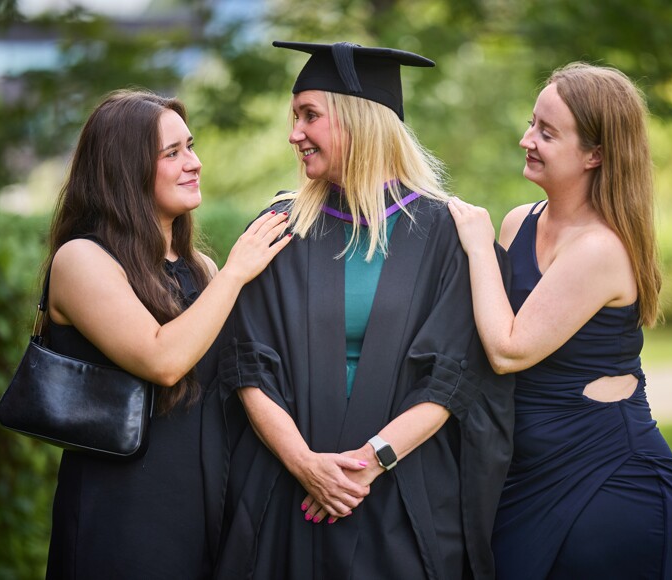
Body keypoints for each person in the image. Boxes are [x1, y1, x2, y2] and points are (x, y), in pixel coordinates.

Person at [213, 41, 515, 580]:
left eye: (310, 115)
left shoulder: (449, 235)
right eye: (293, 117)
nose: (294, 134)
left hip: (403, 495)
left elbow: (450, 378)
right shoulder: (280, 229)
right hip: (288, 491)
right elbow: (247, 365)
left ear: (359, 121)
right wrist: (306, 465)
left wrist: (366, 466)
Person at [448, 62, 672, 579]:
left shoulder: (600, 248)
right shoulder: (519, 222)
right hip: (521, 473)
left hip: (607, 478)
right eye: (531, 124)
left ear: (594, 154)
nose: (526, 140)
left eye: (547, 133)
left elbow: (508, 349)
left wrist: (477, 246)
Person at [43, 89, 291, 579]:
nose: (194, 163)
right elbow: (163, 360)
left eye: (190, 147)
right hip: (122, 513)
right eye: (172, 153)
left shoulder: (201, 268)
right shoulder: (82, 260)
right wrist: (235, 273)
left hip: (203, 504)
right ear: (125, 169)